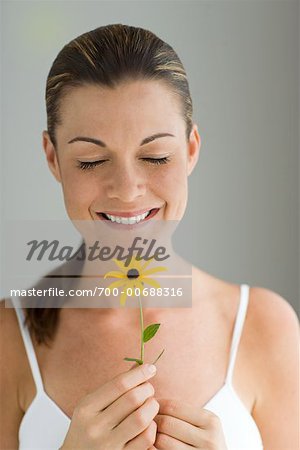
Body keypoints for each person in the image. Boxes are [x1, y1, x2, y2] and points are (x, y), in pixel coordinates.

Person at [1, 24, 298, 450]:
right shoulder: (9, 336)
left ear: (191, 148)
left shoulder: (264, 326)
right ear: (53, 158)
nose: (126, 188)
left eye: (154, 156)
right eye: (91, 160)